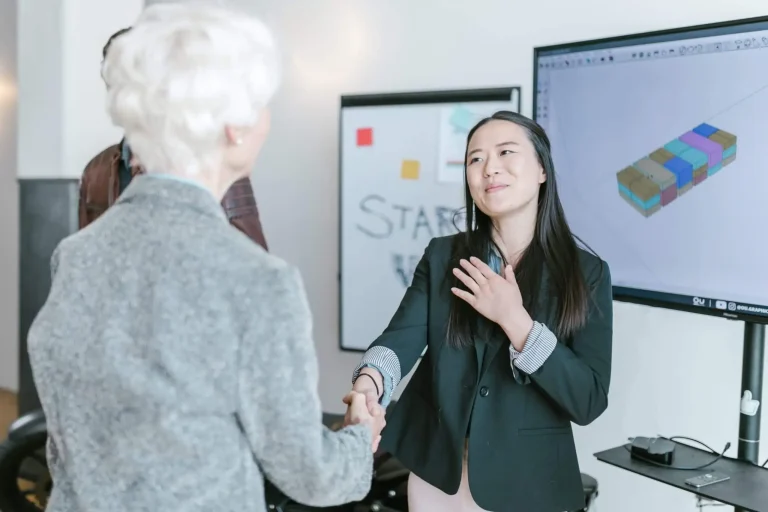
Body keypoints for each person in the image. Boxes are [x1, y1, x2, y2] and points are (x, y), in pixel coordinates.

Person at [26, 4, 385, 512]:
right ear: (235, 126)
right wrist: (358, 438)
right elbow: (312, 476)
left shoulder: (74, 256)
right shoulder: (260, 281)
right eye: (262, 104)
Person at [345, 111, 613, 512]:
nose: (489, 169)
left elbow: (588, 400)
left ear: (542, 168)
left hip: (530, 485)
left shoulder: (587, 274)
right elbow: (399, 341)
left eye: (506, 152)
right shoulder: (442, 256)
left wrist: (517, 322)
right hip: (439, 478)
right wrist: (369, 385)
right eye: (475, 159)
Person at [79, 26, 269, 248]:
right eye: (115, 80)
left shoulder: (212, 163)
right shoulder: (96, 171)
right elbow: (84, 258)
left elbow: (251, 256)